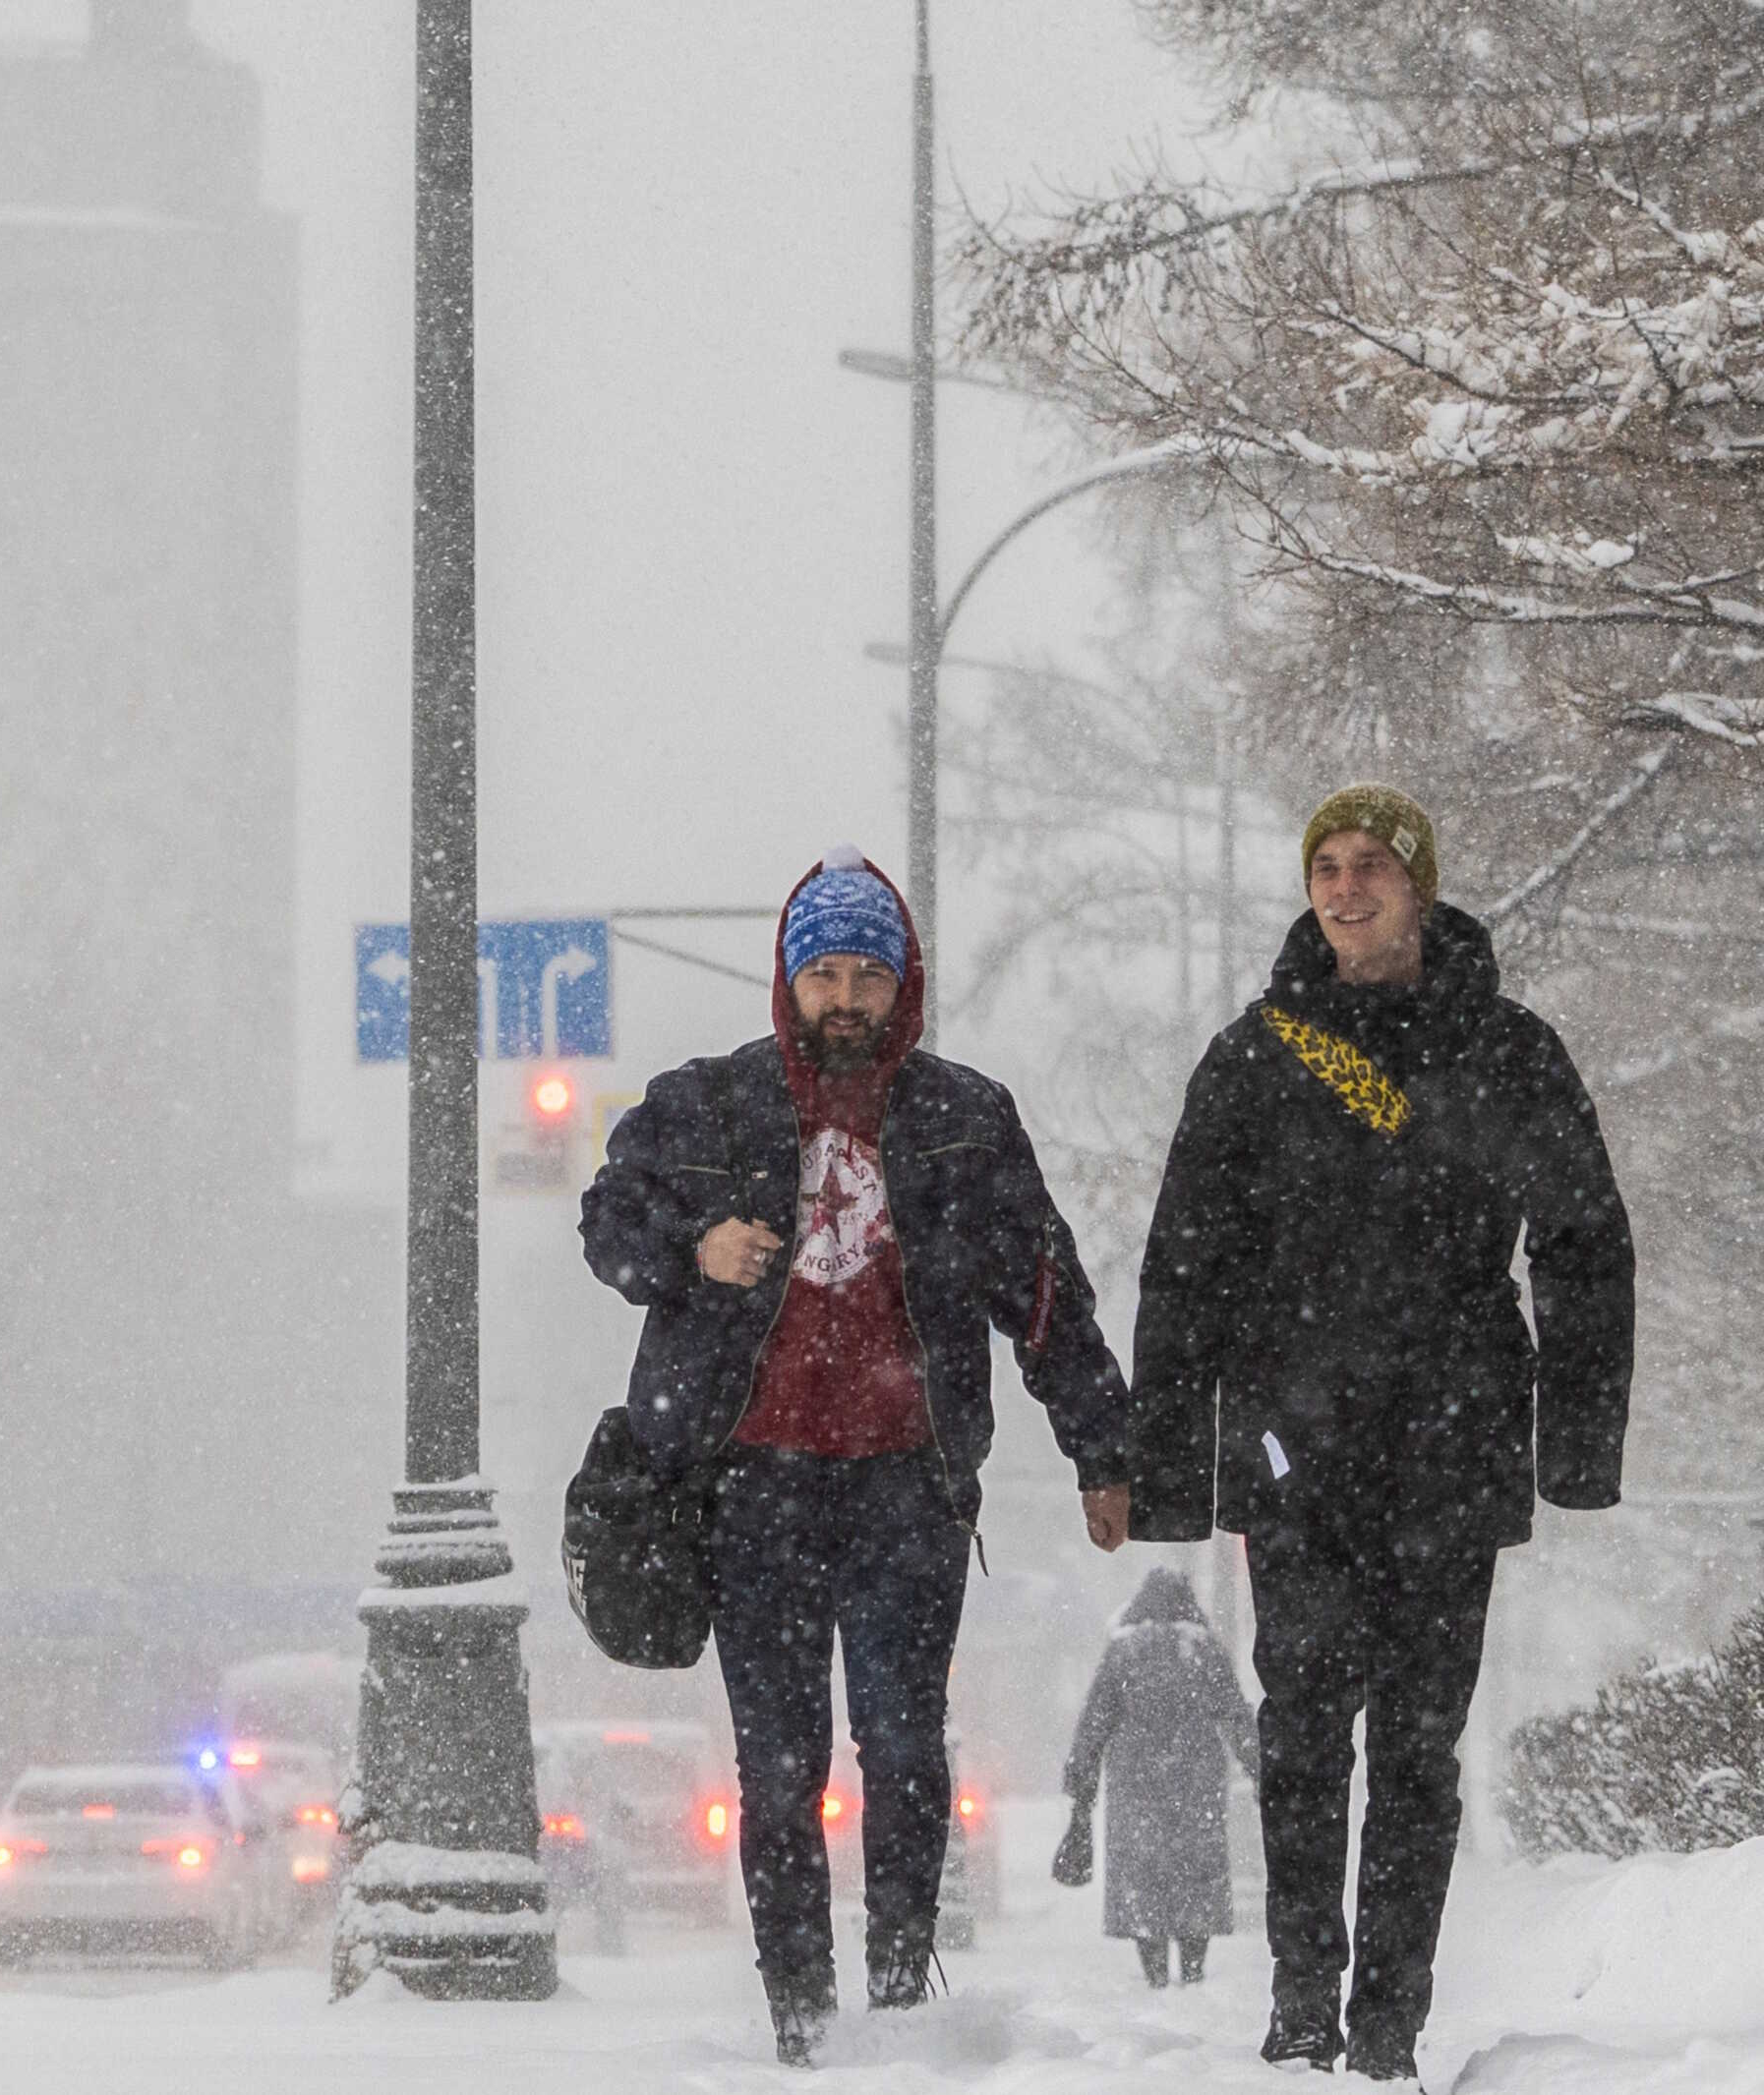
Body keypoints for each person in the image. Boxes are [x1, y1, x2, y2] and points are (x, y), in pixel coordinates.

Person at [580, 845, 1132, 2068]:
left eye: (865, 975)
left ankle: (898, 1981)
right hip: (751, 1486)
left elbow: (1045, 1298)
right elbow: (606, 1219)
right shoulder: (707, 1105)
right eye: (822, 970)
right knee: (777, 1765)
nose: (844, 996)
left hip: (906, 1486)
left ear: (903, 986)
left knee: (902, 1741)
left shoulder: (961, 1120)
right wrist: (690, 1244)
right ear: (786, 980)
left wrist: (1103, 1448)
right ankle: (798, 2010)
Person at [1128, 786, 1633, 2082]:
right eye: (1327, 868)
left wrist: (1575, 1444)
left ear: (1420, 884)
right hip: (1298, 1442)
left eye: (1371, 867)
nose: (1346, 889)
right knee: (1301, 1725)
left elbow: (1583, 1243)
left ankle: (1386, 2027)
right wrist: (1175, 1468)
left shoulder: (1509, 1050)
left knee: (1418, 1745)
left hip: (1454, 1443)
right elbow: (1185, 1266)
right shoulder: (1255, 1057)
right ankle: (1303, 2010)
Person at [1060, 1566, 1258, 1989]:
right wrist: (1262, 1769)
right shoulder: (1204, 1648)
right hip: (1197, 1778)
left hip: (1137, 1781)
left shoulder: (1124, 1651)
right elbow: (1235, 1714)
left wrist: (1081, 1783)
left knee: (1144, 1876)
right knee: (1195, 1874)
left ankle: (1154, 1971)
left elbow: (1095, 1721)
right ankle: (1192, 1968)